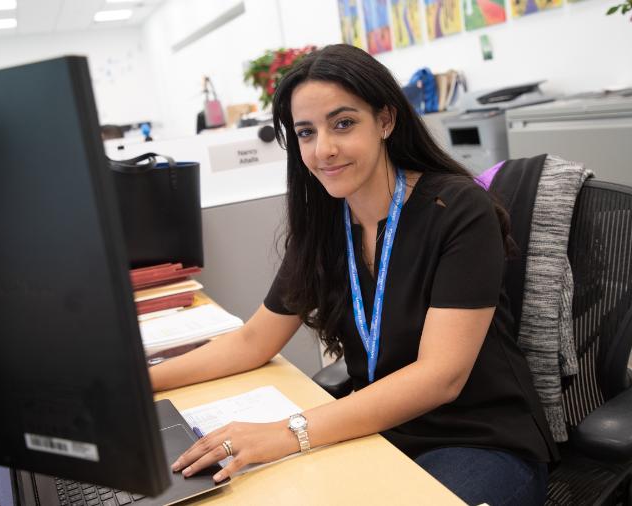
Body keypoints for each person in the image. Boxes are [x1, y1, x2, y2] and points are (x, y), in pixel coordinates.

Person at [149, 44, 557, 505]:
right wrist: (138, 383)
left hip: (477, 441)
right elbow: (253, 341)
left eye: (343, 123)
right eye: (306, 132)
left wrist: (288, 433)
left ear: (385, 120)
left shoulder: (458, 209)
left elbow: (440, 376)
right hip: (375, 428)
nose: (324, 149)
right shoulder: (326, 224)